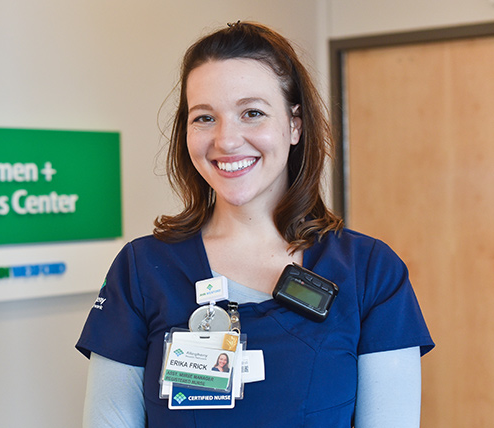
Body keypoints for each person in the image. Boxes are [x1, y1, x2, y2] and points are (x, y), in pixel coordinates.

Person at [76, 21, 434, 427]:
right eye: (204, 118)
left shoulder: (369, 272)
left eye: (252, 113)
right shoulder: (143, 269)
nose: (226, 140)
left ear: (295, 124)